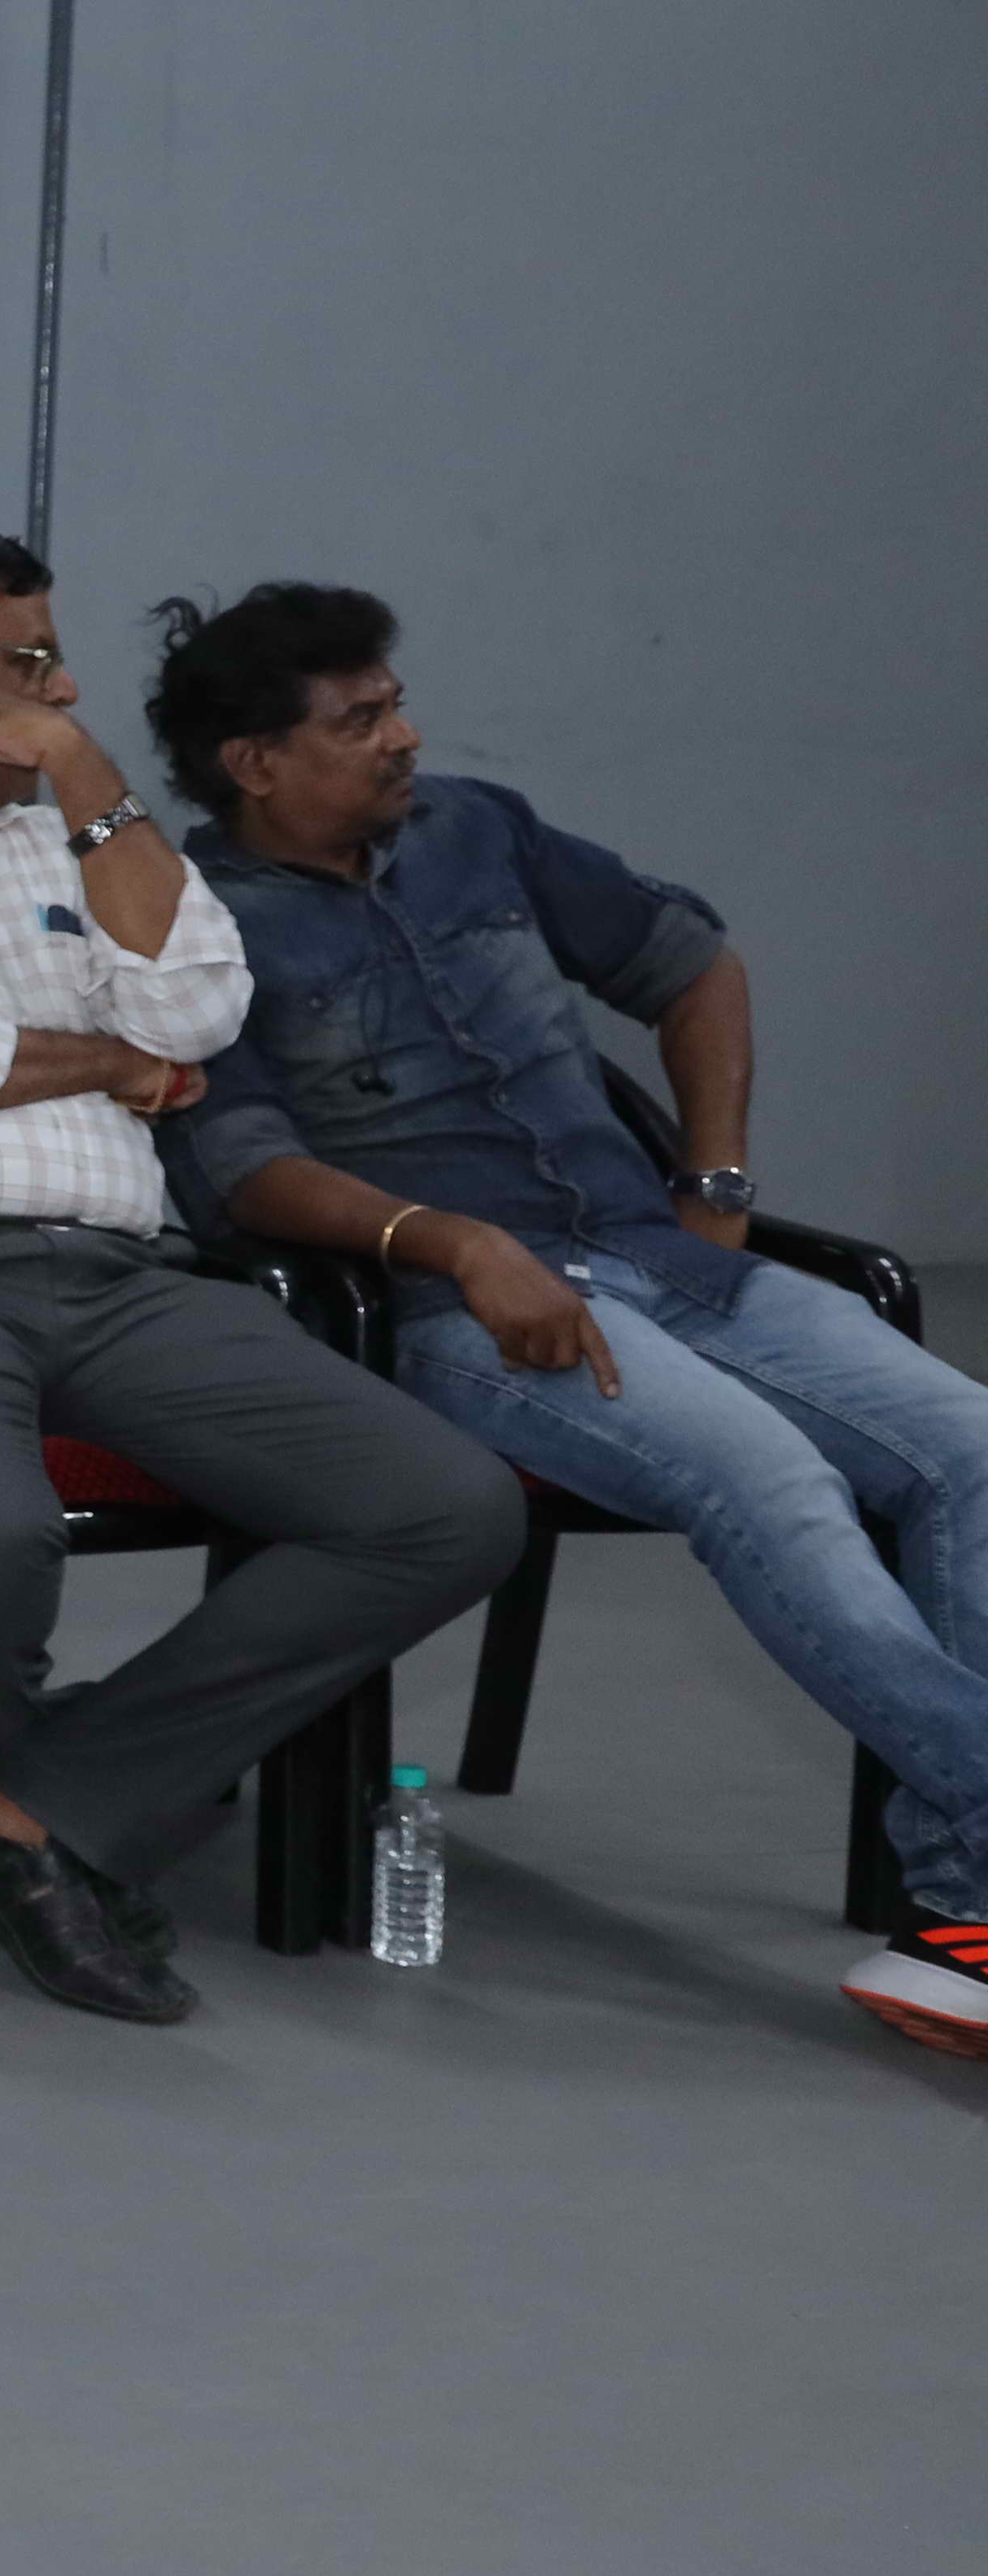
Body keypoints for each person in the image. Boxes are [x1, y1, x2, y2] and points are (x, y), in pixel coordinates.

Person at [0, 527, 520, 2024]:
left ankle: (20, 1808)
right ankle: (46, 1807)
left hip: (123, 1277)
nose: (62, 692)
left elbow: (198, 1009)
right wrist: (105, 1063)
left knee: (444, 1507)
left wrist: (83, 775)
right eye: (35, 663)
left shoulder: (73, 834)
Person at [150, 583, 988, 2058]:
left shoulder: (480, 829)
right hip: (460, 1311)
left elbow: (692, 964)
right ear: (255, 764)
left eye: (397, 703)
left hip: (667, 1258)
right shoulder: (190, 926)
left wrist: (714, 1177)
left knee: (970, 1446)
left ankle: (968, 1908)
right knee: (776, 1484)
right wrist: (460, 1243)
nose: (405, 738)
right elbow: (243, 1173)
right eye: (361, 721)